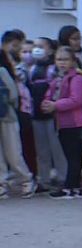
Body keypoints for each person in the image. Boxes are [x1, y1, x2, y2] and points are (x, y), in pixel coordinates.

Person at [41, 46, 82, 199]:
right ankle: (74, 187)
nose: (62, 63)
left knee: (73, 156)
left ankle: (71, 187)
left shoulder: (77, 78)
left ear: (73, 61)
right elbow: (50, 95)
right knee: (71, 156)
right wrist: (46, 103)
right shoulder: (58, 78)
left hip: (74, 122)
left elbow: (77, 100)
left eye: (65, 59)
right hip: (62, 122)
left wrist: (55, 105)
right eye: (59, 59)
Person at [27, 36, 67, 191]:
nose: (37, 49)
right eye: (35, 46)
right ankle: (44, 180)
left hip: (52, 114)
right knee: (41, 150)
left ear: (50, 50)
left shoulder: (53, 68)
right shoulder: (31, 69)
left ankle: (63, 178)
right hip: (36, 114)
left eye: (41, 46)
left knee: (57, 148)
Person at [0, 44, 35, 199]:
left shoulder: (2, 72)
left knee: (13, 152)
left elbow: (14, 95)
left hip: (7, 118)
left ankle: (26, 180)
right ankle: (2, 184)